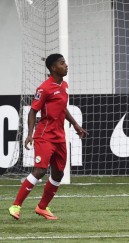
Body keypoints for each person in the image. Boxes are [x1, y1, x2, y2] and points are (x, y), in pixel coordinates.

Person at [8, 54, 88, 221]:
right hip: (45, 136)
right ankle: (16, 205)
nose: (66, 65)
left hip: (60, 136)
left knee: (58, 173)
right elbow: (32, 111)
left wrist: (75, 124)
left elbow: (62, 108)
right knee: (40, 170)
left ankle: (42, 207)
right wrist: (30, 134)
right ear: (53, 68)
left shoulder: (64, 85)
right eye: (62, 63)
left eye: (65, 62)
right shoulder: (44, 88)